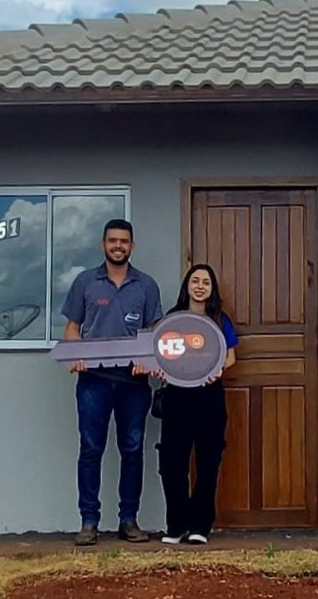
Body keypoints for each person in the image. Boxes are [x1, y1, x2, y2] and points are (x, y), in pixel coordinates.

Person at [61, 218, 163, 546]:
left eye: (124, 241)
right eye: (112, 241)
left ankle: (128, 520)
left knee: (132, 450)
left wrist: (146, 362)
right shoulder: (85, 282)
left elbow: (154, 333)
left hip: (133, 384)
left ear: (132, 246)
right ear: (103, 244)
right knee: (91, 449)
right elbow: (73, 328)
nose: (118, 246)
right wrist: (75, 354)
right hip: (93, 381)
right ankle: (89, 521)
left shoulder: (146, 286)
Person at [156, 263, 238, 545]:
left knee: (208, 462)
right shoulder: (172, 318)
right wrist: (158, 369)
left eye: (206, 282)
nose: (200, 286)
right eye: (195, 281)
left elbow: (230, 356)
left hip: (209, 397)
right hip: (177, 397)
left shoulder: (219, 319)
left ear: (212, 288)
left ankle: (200, 526)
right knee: (171, 463)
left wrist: (217, 371)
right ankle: (176, 525)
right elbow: (160, 353)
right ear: (187, 286)